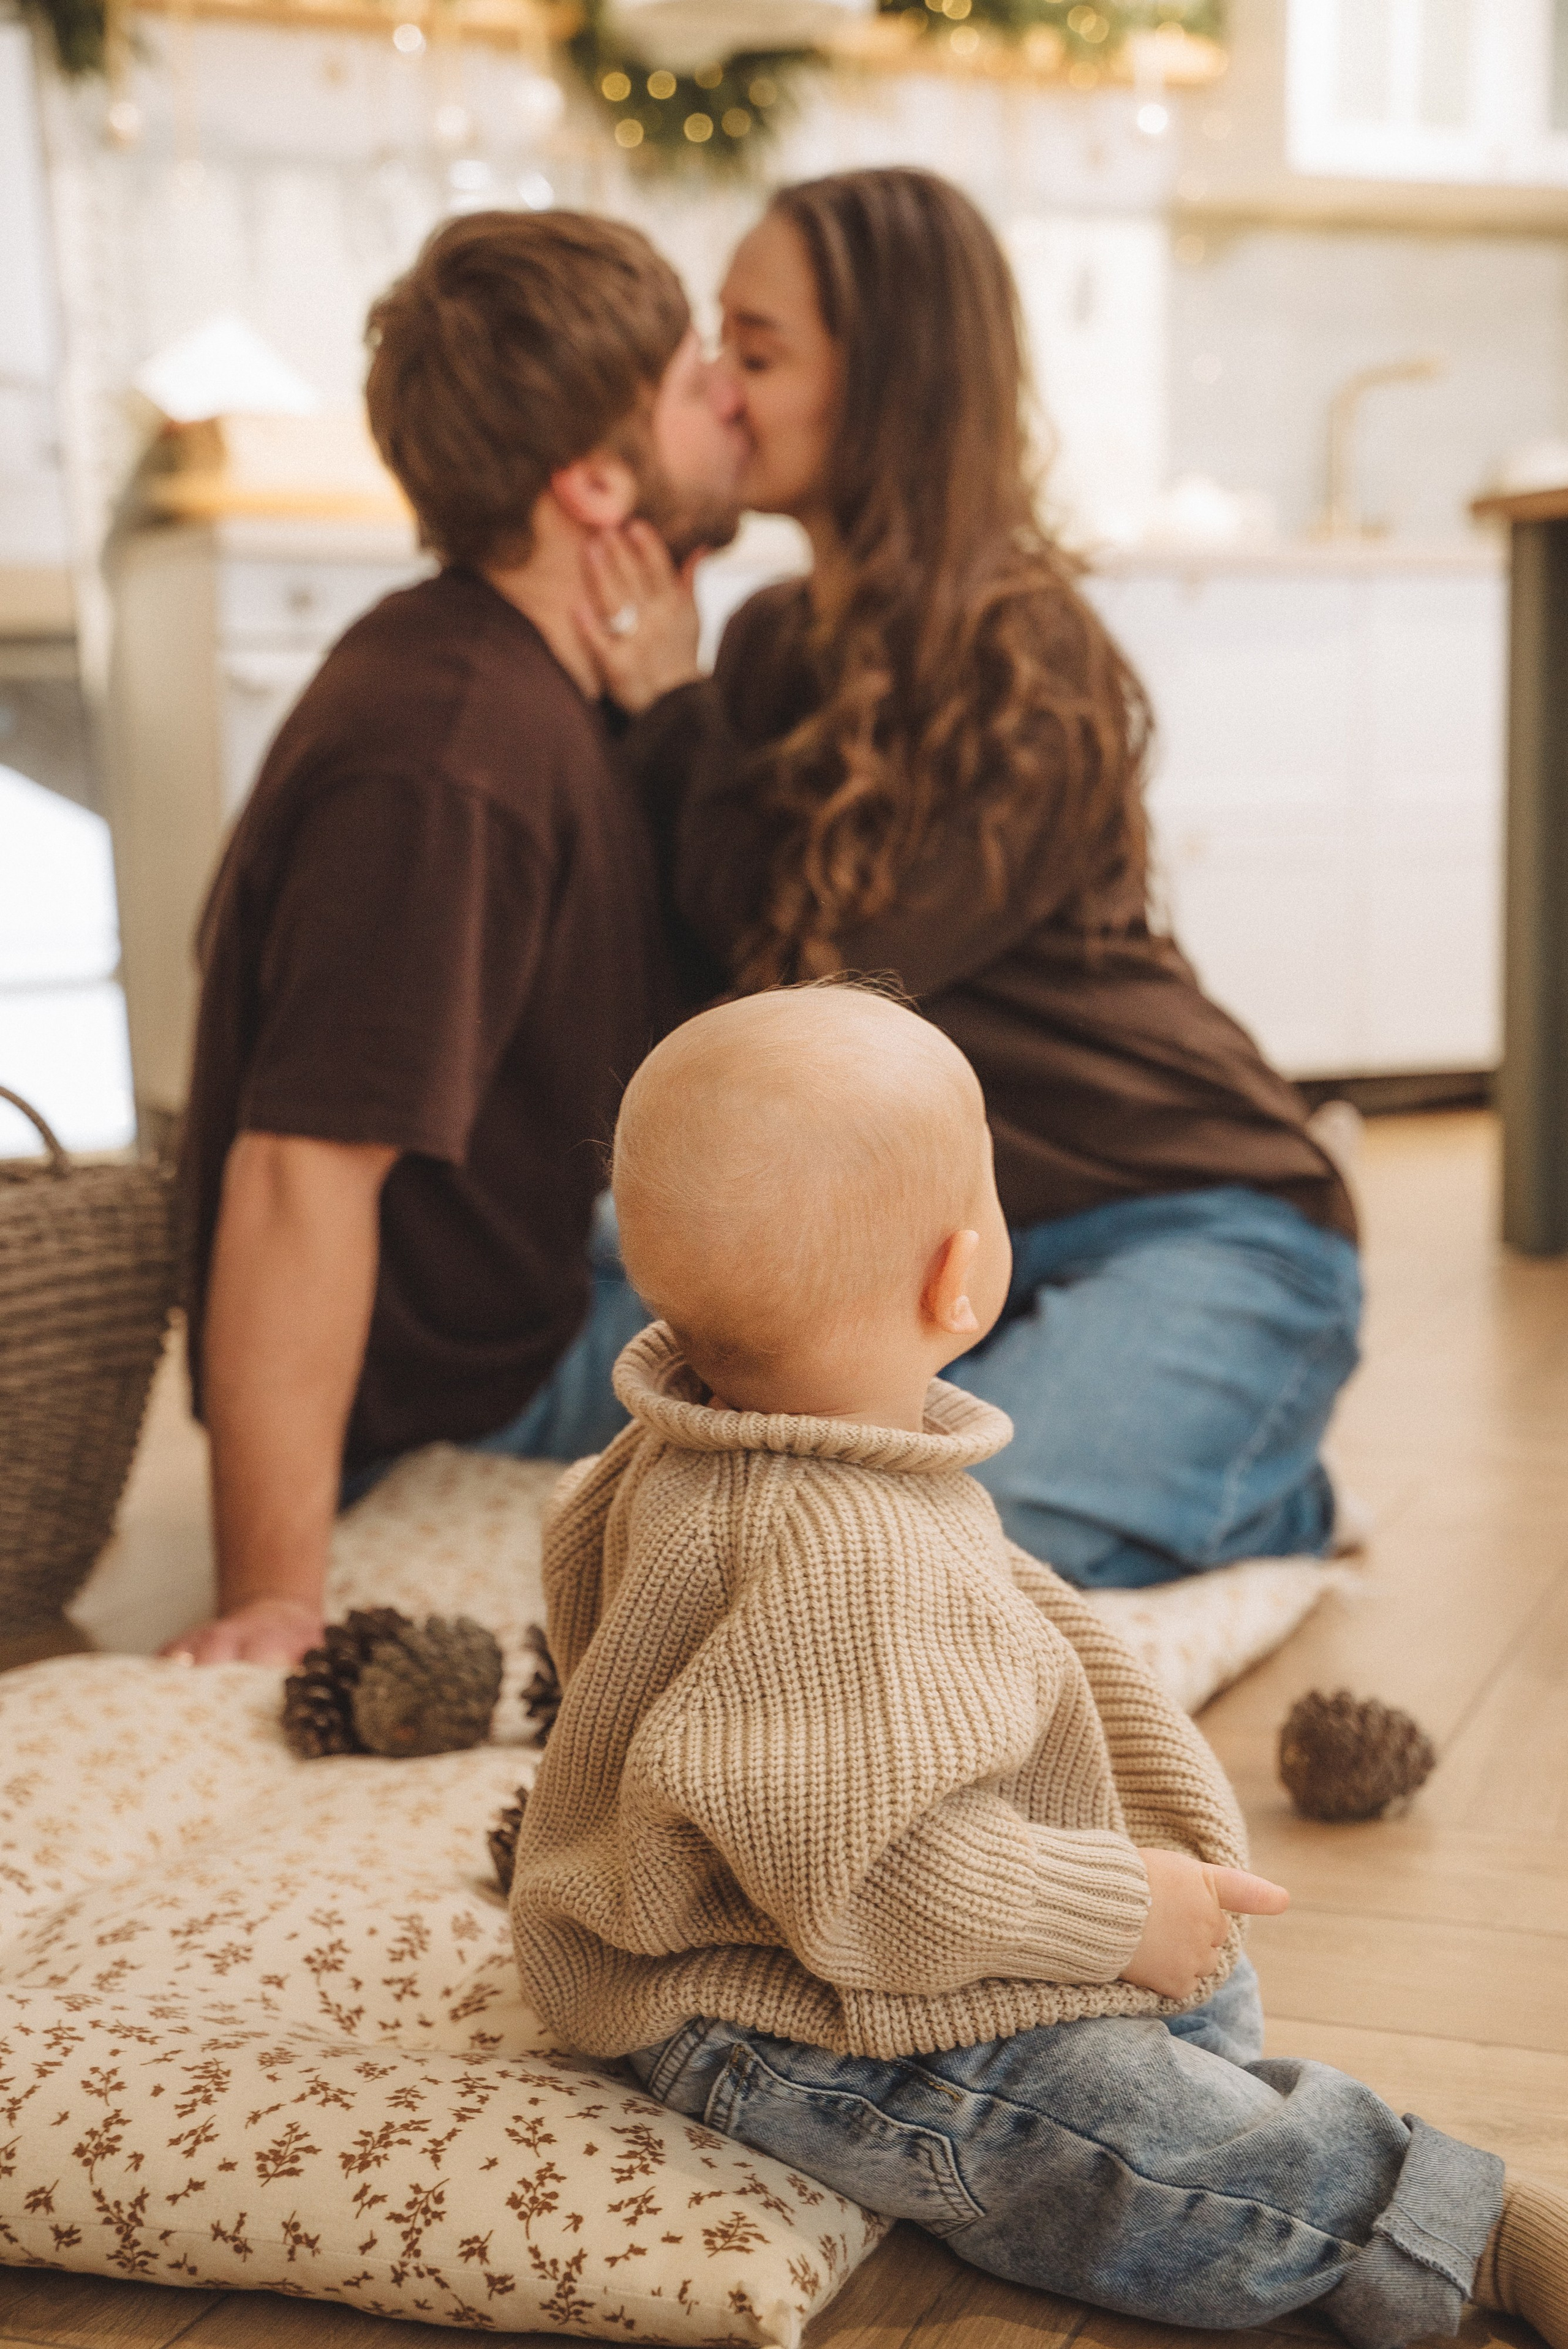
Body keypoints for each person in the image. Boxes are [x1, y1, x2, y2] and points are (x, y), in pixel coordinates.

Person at [508, 982, 1566, 2349]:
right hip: (769, 2008)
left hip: (864, 1919)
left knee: (1190, 1996)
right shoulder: (840, 1551)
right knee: (1123, 2138)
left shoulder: (673, 1447)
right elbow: (877, 1876)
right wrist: (1112, 1914)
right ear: (962, 1275)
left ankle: (1207, 2084)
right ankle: (1452, 2230)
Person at [587, 167, 1364, 1590]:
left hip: (1191, 1216)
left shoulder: (1026, 657)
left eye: (756, 352)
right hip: (936, 1254)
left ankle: (1246, 1491)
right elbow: (706, 1002)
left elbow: (824, 1000)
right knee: (721, 1509)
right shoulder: (764, 643)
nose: (718, 393)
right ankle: (1198, 1479)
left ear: (885, 382)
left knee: (901, 1570)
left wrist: (680, 720)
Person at [166, 208, 745, 1666]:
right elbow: (299, 1172)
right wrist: (274, 1596)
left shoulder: (526, 681)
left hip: (536, 1287)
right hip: (467, 1397)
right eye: (695, 382)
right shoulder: (448, 755)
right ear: (597, 479)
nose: (732, 400)